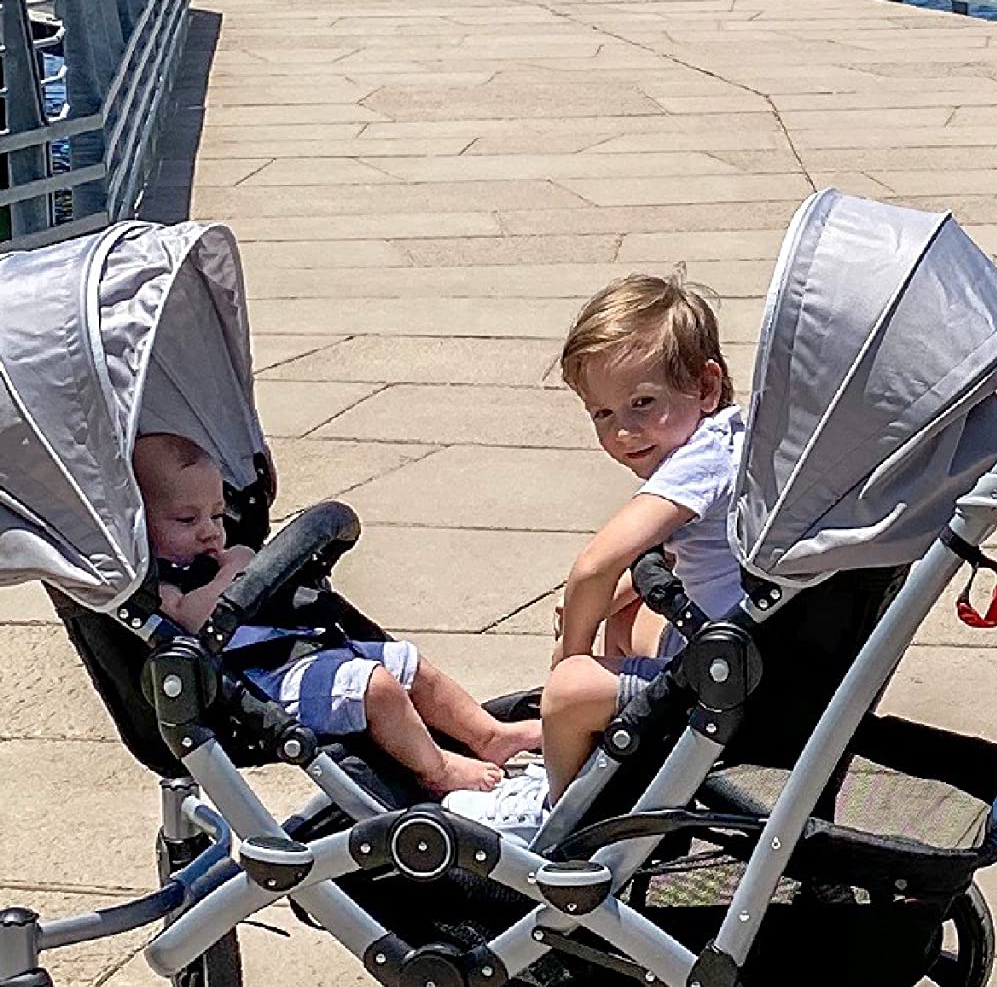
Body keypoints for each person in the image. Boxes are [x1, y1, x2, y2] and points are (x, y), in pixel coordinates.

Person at [134, 430, 536, 801]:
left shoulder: (212, 554)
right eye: (188, 520)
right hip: (255, 682)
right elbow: (188, 619)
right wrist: (233, 572)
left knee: (407, 664)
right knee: (378, 689)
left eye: (217, 516)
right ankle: (438, 769)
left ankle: (488, 735)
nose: (210, 531)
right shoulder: (159, 578)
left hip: (297, 648)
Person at [538, 273, 749, 793]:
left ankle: (568, 817)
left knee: (565, 693)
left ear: (705, 386)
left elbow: (594, 564)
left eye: (643, 404)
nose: (623, 432)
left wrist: (573, 659)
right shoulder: (736, 435)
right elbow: (678, 559)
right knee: (627, 606)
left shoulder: (699, 464)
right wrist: (605, 602)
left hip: (728, 683)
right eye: (603, 413)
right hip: (743, 647)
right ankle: (624, 758)